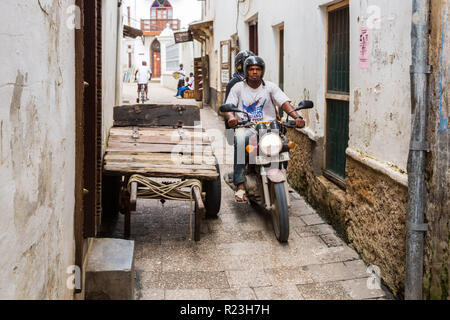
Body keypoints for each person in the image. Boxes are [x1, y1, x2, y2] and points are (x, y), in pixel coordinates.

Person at [225, 56, 306, 203]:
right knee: (241, 139)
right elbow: (229, 106)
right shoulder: (238, 88)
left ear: (262, 71)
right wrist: (231, 118)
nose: (255, 72)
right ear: (246, 71)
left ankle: (280, 177)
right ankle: (240, 184)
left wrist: (296, 116)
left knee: (284, 143)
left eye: (258, 69)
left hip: (270, 127)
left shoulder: (270, 87)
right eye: (251, 69)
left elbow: (284, 102)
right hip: (247, 126)